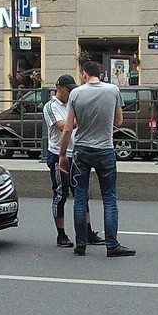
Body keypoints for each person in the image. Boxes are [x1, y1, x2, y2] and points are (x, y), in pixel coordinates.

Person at [58, 60, 135, 257]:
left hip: (82, 151)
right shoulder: (113, 90)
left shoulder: (76, 93)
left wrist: (62, 155)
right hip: (105, 150)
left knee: (80, 199)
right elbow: (119, 121)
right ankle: (112, 245)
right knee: (109, 199)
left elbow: (68, 128)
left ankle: (80, 245)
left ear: (84, 74)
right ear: (98, 74)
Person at [44, 74, 103, 249]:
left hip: (77, 154)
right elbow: (63, 127)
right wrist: (81, 118)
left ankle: (87, 231)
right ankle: (61, 234)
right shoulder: (51, 106)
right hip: (58, 154)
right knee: (61, 194)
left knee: (81, 195)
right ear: (59, 88)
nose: (70, 93)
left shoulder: (74, 104)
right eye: (68, 90)